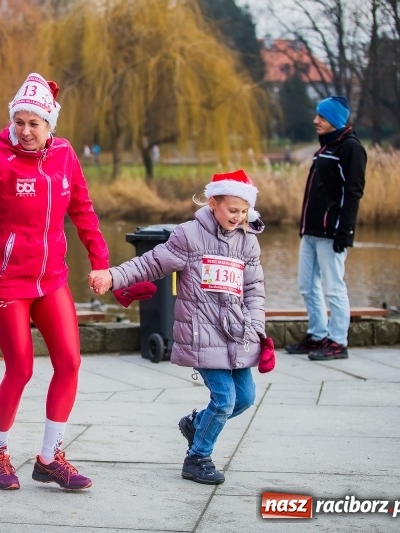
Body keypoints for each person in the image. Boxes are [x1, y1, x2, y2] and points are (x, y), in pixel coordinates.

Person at [0, 72, 109, 491]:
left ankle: (50, 458)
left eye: (35, 123)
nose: (26, 131)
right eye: (20, 121)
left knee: (69, 362)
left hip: (51, 280)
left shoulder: (66, 155)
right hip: (4, 283)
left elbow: (84, 211)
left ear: (50, 125)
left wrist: (101, 261)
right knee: (20, 368)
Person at [89, 169, 267, 485]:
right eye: (232, 210)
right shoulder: (189, 236)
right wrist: (114, 276)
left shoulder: (247, 243)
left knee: (245, 398)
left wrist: (256, 327)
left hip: (237, 335)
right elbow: (150, 263)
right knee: (224, 399)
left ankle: (196, 423)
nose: (238, 217)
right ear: (213, 203)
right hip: (202, 334)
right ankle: (197, 458)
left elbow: (254, 289)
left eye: (243, 211)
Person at [284, 96, 367, 361]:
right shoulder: (325, 147)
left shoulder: (350, 148)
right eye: (317, 115)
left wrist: (344, 232)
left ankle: (338, 342)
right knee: (306, 286)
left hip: (331, 233)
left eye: (321, 116)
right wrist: (305, 226)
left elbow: (352, 193)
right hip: (310, 231)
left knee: (333, 287)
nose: (315, 121)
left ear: (335, 120)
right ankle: (318, 334)